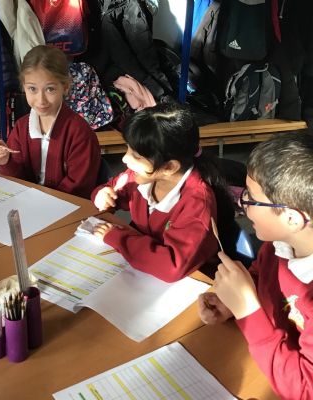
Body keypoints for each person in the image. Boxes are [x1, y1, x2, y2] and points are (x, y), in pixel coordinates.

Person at [198, 132, 313, 399]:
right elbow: (262, 279)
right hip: (267, 364)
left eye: (251, 198)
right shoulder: (278, 246)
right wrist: (231, 304)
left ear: (292, 218)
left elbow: (305, 390)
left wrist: (248, 311)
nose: (242, 203)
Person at [91, 102, 235, 282]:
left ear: (169, 167)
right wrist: (102, 195)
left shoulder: (197, 203)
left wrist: (116, 237)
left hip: (191, 280)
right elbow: (113, 190)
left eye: (137, 156)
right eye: (128, 148)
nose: (125, 159)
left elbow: (172, 265)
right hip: (142, 267)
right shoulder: (140, 176)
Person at [0, 45, 101, 198]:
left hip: (66, 206)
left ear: (65, 87)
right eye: (32, 89)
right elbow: (15, 182)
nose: (41, 100)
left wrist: (39, 202)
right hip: (30, 203)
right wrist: (5, 161)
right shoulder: (21, 127)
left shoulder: (80, 133)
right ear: (24, 87)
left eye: (50, 89)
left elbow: (78, 189)